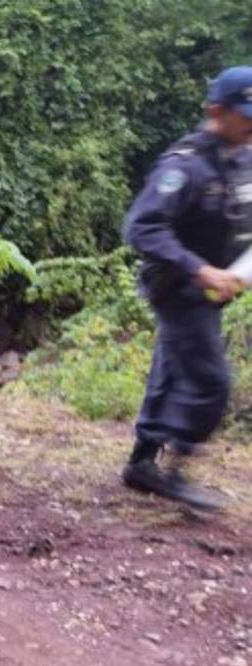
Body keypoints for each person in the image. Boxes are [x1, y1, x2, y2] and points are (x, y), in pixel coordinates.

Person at [122, 65, 252, 511]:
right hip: (179, 288)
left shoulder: (244, 158)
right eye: (245, 114)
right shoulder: (185, 166)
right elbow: (142, 227)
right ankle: (175, 471)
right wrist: (200, 270)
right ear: (217, 111)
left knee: (171, 369)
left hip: (217, 287)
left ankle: (141, 464)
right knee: (211, 383)